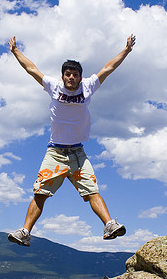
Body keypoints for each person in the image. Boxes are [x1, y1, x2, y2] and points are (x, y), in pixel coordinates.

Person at [7, 33, 136, 247]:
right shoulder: (53, 86)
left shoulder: (88, 86)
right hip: (55, 152)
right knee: (41, 193)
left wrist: (126, 50)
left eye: (75, 75)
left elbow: (108, 68)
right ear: (62, 76)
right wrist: (15, 51)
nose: (71, 78)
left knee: (91, 190)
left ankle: (109, 224)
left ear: (80, 77)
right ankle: (25, 232)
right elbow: (31, 69)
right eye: (68, 74)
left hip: (78, 154)